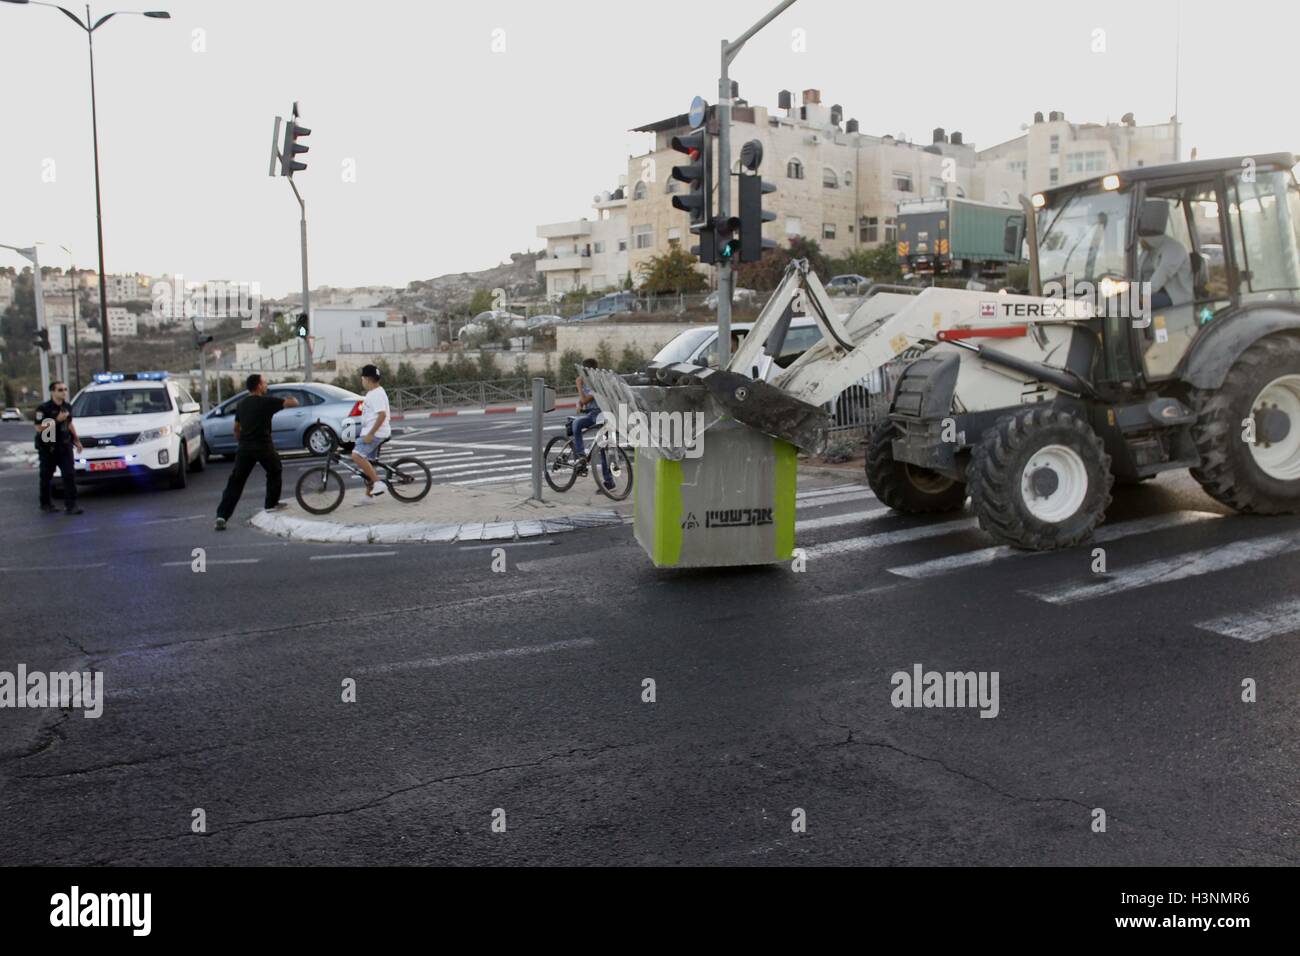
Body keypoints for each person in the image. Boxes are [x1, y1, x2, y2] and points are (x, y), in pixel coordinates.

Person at [214, 374, 299, 530]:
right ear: (259, 386)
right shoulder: (266, 402)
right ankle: (270, 505)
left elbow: (236, 429)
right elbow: (293, 403)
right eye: (265, 383)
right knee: (275, 470)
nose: (266, 386)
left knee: (236, 482)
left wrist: (243, 441)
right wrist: (291, 397)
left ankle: (222, 515)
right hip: (263, 446)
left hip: (244, 448)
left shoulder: (241, 404)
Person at [34, 381, 83, 515]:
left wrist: (77, 440)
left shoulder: (67, 406)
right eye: (60, 390)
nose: (64, 392)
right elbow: (38, 428)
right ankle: (46, 504)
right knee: (46, 476)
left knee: (69, 475)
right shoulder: (43, 408)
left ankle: (71, 505)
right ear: (53, 392)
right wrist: (56, 420)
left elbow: (69, 424)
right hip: (48, 447)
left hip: (64, 445)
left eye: (65, 389)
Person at [1137, 201, 1194, 310]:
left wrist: (1141, 296)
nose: (1139, 243)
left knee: (1135, 306)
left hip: (1175, 296)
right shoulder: (1148, 251)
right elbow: (1138, 271)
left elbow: (1162, 274)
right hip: (1156, 292)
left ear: (1149, 238)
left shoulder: (1174, 249)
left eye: (1140, 240)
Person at [351, 364, 391, 503]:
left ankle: (378, 483)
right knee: (369, 465)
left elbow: (381, 415)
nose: (361, 381)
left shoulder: (376, 394)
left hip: (376, 433)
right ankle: (369, 496)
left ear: (367, 379)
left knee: (356, 456)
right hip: (371, 431)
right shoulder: (373, 393)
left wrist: (370, 434)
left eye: (362, 378)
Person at [571, 358, 613, 489]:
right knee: (602, 449)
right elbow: (582, 400)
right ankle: (608, 480)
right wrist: (579, 404)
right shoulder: (589, 382)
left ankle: (581, 455)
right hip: (594, 414)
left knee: (577, 424)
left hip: (599, 415)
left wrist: (578, 385)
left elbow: (585, 398)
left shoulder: (596, 383)